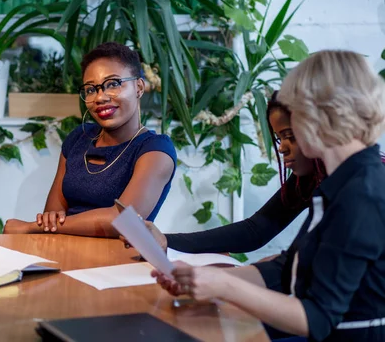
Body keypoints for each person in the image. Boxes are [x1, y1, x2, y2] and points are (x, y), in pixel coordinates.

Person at [153, 50, 385, 341]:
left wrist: (223, 287)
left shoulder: (362, 195)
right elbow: (288, 266)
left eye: (295, 115)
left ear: (323, 113)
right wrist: (209, 279)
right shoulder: (340, 183)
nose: (286, 140)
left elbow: (318, 318)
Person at [4, 42, 177, 237]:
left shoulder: (155, 150)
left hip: (120, 260)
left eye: (113, 84)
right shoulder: (79, 137)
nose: (100, 97)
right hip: (63, 254)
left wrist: (30, 227)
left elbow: (124, 222)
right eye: (90, 89)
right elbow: (51, 217)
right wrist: (47, 226)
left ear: (138, 87)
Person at [134, 91, 326, 263]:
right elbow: (257, 230)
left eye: (290, 136)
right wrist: (166, 240)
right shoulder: (310, 177)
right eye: (279, 138)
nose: (282, 148)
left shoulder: (345, 188)